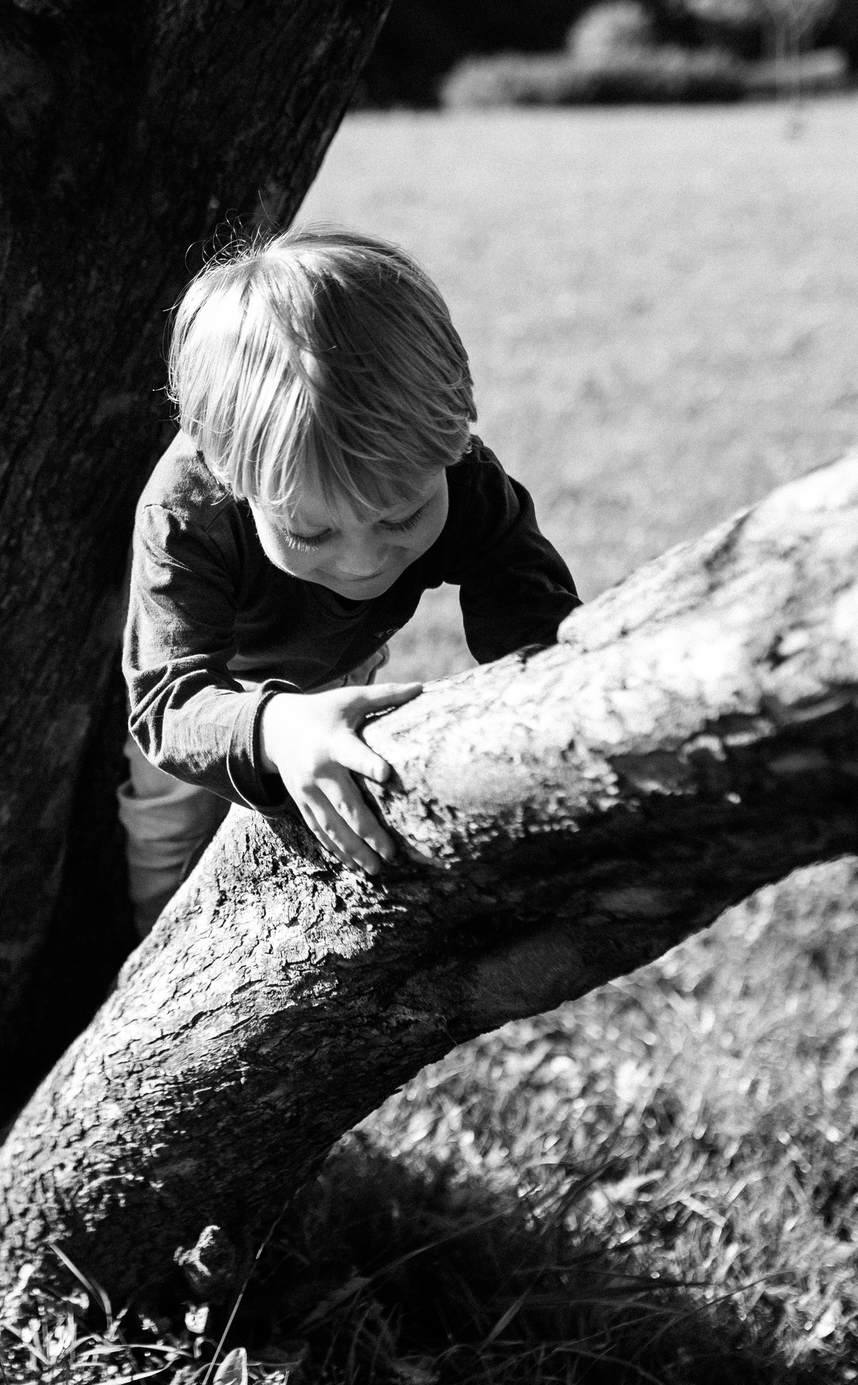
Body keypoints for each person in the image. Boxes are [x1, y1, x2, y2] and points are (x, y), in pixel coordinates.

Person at [120, 225, 580, 934]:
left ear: (459, 427)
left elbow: (523, 600)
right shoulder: (188, 516)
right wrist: (276, 725)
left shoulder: (464, 479)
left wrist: (546, 683)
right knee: (170, 847)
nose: (364, 562)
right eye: (310, 532)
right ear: (231, 474)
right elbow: (168, 702)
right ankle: (156, 954)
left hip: (339, 666)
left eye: (402, 518)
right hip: (217, 692)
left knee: (335, 824)